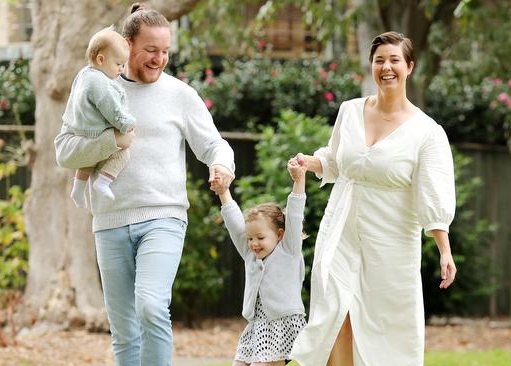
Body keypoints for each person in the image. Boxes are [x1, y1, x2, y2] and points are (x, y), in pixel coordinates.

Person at [53, 3, 235, 366]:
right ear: (127, 44)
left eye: (165, 51)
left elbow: (214, 144)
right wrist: (111, 142)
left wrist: (221, 164)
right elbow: (64, 151)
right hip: (109, 222)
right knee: (124, 332)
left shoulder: (178, 94)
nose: (159, 59)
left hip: (163, 217)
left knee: (151, 307)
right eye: (151, 50)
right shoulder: (93, 87)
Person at [289, 31, 457, 366]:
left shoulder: (427, 132)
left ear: (409, 67)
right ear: (371, 66)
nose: (386, 67)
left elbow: (433, 192)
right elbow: (337, 160)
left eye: (394, 60)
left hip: (391, 243)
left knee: (387, 331)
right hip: (342, 231)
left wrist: (444, 250)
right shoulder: (349, 111)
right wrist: (311, 162)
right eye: (379, 60)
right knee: (335, 315)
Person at [211, 157, 308, 366]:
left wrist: (299, 180)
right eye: (251, 238)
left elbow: (295, 214)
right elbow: (234, 224)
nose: (254, 243)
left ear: (280, 234)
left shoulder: (289, 249)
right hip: (257, 326)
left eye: (260, 238)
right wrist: (222, 192)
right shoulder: (250, 254)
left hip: (282, 324)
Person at [64, 26, 136, 207]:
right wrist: (127, 124)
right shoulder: (101, 84)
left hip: (82, 129)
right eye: (118, 64)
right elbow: (112, 110)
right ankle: (103, 182)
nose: (121, 69)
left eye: (123, 65)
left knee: (90, 159)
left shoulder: (84, 74)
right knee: (123, 154)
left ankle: (78, 188)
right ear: (101, 59)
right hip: (96, 131)